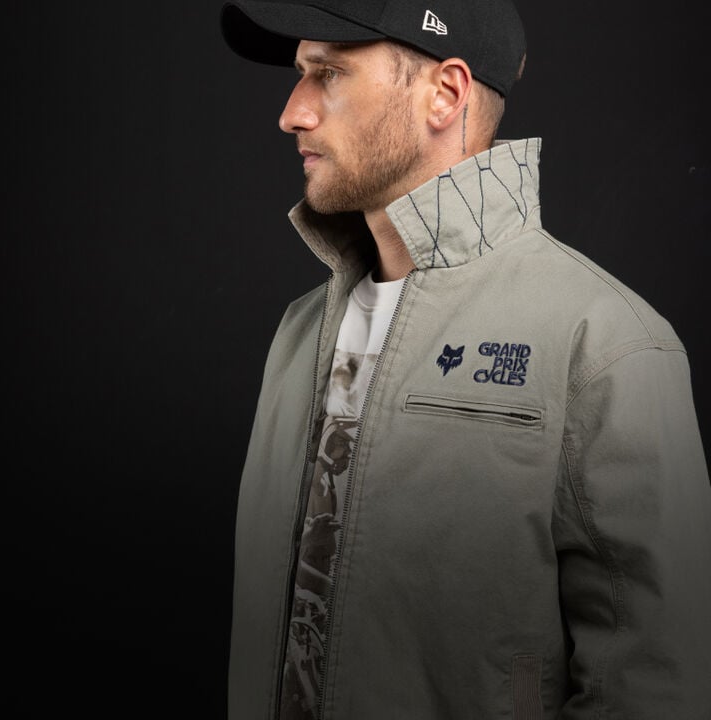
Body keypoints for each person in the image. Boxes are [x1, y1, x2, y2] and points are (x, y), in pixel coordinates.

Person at [219, 1, 711, 718]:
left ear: (445, 94)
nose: (292, 113)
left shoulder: (606, 342)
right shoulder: (301, 331)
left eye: (329, 73)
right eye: (300, 74)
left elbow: (658, 681)